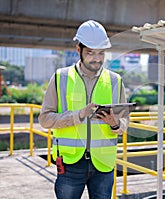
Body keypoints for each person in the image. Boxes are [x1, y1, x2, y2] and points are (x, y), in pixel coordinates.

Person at [39, 20, 129, 199]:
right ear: (78, 50)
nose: (97, 58)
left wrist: (115, 124)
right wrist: (77, 115)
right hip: (70, 164)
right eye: (90, 53)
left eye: (101, 53)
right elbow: (45, 120)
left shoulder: (115, 81)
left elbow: (124, 123)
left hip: (103, 164)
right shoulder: (60, 78)